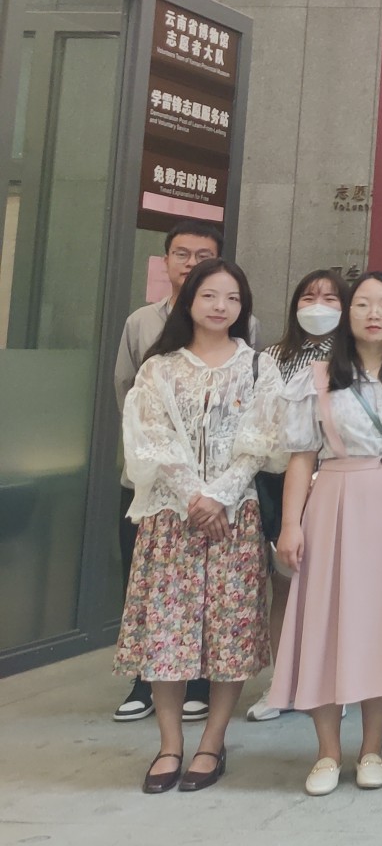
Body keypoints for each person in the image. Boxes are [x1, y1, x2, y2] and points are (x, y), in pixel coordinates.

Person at [268, 271, 382, 796]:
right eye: (362, 303)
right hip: (333, 500)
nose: (373, 313)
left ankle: (372, 749)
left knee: (381, 625)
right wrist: (290, 524)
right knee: (325, 622)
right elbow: (301, 457)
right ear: (347, 314)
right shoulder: (317, 378)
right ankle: (326, 752)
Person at [116, 258, 272, 792]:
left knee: (228, 633)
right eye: (209, 295)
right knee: (167, 634)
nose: (220, 306)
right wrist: (193, 497)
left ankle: (212, 742)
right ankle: (169, 745)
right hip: (170, 519)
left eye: (232, 298)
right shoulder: (158, 368)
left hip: (234, 518)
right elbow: (151, 437)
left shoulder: (259, 367)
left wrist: (221, 495)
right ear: (189, 300)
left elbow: (262, 439)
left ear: (243, 307)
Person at [243, 268, 345, 723]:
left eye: (330, 298)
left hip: (332, 479)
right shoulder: (270, 356)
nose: (318, 305)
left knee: (332, 588)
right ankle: (281, 683)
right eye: (309, 296)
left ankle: (335, 685)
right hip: (275, 478)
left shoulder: (351, 359)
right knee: (283, 583)